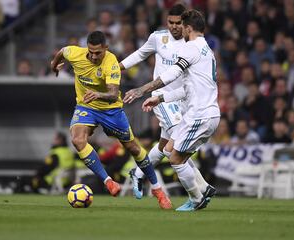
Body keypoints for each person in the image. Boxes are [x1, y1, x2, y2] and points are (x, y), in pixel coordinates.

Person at [50, 31, 171, 209]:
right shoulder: (75, 53)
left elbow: (114, 94)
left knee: (133, 148)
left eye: (97, 52)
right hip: (86, 107)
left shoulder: (111, 62)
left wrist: (97, 94)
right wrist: (54, 65)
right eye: (90, 51)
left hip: (111, 110)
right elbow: (62, 51)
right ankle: (108, 181)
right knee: (77, 139)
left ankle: (157, 189)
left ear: (106, 48)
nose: (93, 56)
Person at [123, 10, 221, 211]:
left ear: (188, 28)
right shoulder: (207, 51)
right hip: (198, 111)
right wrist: (159, 97)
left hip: (199, 114)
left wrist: (142, 89)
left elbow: (172, 74)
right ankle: (141, 173)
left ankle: (197, 197)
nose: (178, 28)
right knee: (167, 147)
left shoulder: (191, 48)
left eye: (182, 25)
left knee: (175, 156)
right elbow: (187, 88)